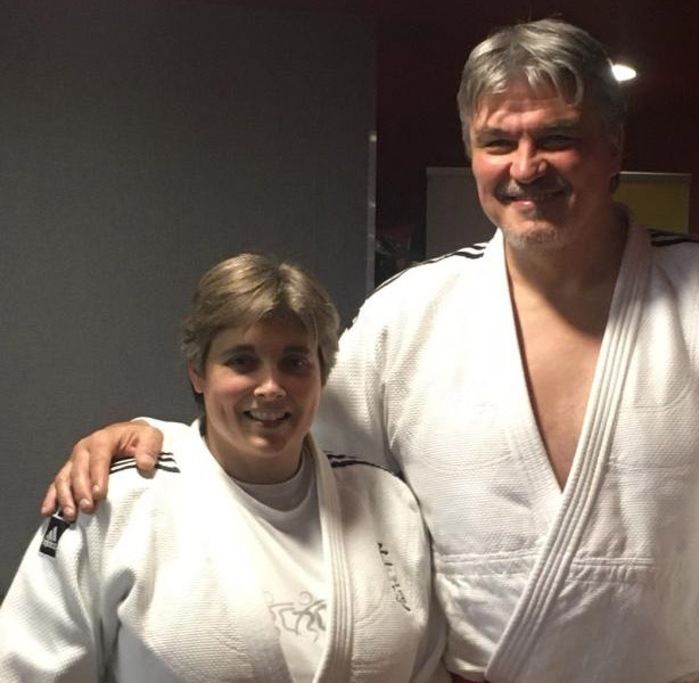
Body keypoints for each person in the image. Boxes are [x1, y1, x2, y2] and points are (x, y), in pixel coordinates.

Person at [40, 19, 699, 683]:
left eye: (556, 137)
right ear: (471, 153)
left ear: (613, 145)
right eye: (496, 141)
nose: (525, 167)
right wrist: (156, 443)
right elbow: (282, 448)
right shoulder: (408, 315)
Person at [2, 254, 448, 682]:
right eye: (242, 361)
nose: (271, 387)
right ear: (198, 372)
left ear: (322, 373)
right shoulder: (115, 503)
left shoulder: (389, 504)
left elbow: (426, 670)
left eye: (294, 363)